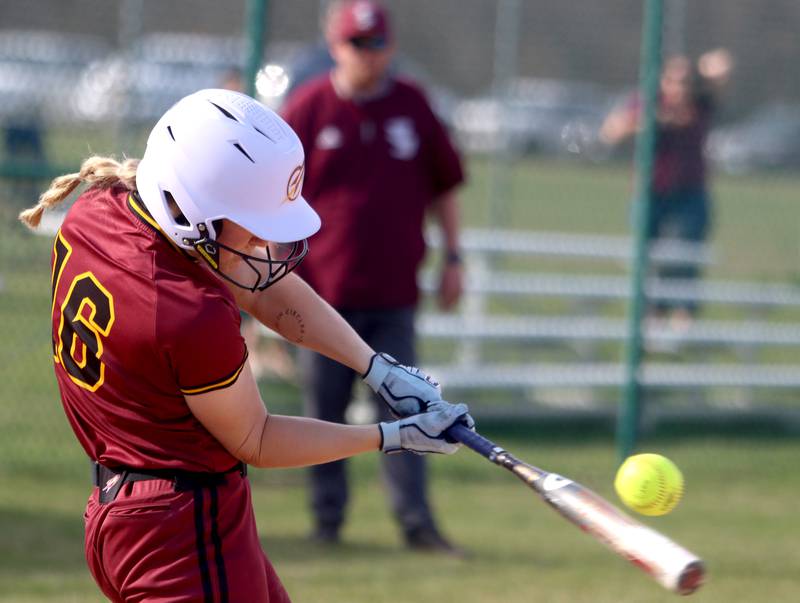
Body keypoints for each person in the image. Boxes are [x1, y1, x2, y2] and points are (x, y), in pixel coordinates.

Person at [18, 88, 473, 602]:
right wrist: (388, 436)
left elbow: (261, 288)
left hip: (131, 513)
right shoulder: (186, 312)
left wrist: (376, 368)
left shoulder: (102, 211)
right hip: (182, 530)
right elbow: (257, 439)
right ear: (191, 209)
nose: (265, 244)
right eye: (254, 226)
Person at [279, 0, 466, 554]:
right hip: (322, 299)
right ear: (335, 46)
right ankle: (327, 522)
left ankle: (417, 524)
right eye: (357, 44)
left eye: (377, 43)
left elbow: (446, 185)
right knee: (324, 412)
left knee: (408, 407)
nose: (369, 55)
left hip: (393, 296)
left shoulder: (413, 105)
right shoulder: (309, 108)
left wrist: (454, 257)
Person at [600, 48, 734, 331]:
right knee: (649, 260)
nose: (678, 88)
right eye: (673, 81)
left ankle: (683, 320)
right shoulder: (648, 102)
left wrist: (703, 68)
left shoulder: (700, 104)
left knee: (685, 255)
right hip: (651, 193)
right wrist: (654, 121)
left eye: (684, 82)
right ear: (662, 81)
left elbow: (722, 68)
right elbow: (611, 131)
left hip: (689, 193)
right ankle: (652, 318)